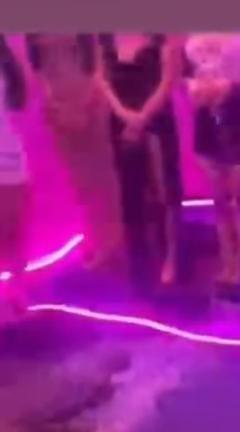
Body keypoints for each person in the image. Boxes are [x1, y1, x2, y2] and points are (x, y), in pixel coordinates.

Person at [25, 34, 125, 271]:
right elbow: (36, 66)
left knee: (106, 174)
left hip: (93, 98)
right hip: (57, 102)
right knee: (81, 179)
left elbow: (103, 53)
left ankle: (116, 239)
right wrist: (53, 103)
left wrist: (90, 100)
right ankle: (100, 237)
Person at [97, 33, 183, 290]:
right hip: (120, 123)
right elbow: (102, 80)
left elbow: (168, 82)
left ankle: (171, 257)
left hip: (156, 121)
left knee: (164, 192)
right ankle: (139, 258)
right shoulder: (107, 38)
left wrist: (141, 118)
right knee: (130, 192)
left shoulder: (161, 37)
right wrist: (123, 115)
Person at [185, 33, 240, 300]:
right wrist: (193, 88)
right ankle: (227, 262)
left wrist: (231, 87)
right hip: (206, 117)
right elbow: (186, 72)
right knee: (219, 198)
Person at [0, 35, 30, 316]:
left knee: (13, 230)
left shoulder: (5, 59)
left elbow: (18, 102)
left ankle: (17, 293)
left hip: (8, 152)